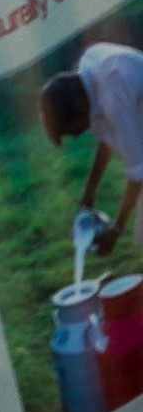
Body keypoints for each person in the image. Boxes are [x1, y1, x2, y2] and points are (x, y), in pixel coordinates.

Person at [43, 39, 143, 260]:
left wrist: (116, 230)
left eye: (71, 130)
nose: (75, 136)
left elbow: (138, 175)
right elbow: (107, 139)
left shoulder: (114, 94)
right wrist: (90, 192)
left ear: (79, 106)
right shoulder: (89, 71)